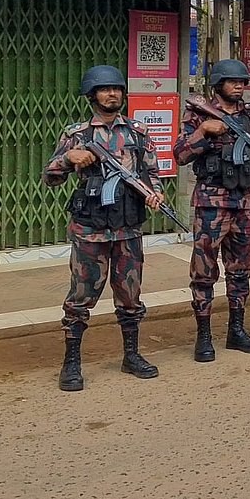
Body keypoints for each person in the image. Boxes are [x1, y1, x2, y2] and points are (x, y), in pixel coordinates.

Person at [43, 65, 162, 391]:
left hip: (128, 229)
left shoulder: (137, 132)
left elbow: (151, 172)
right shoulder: (77, 135)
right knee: (81, 297)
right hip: (91, 231)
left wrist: (155, 193)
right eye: (105, 89)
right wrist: (69, 159)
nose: (112, 94)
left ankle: (131, 355)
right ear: (92, 95)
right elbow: (50, 177)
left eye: (117, 89)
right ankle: (71, 363)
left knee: (130, 296)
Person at [174, 59, 250, 362]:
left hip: (244, 203)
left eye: (242, 81)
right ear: (218, 85)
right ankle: (204, 336)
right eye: (232, 81)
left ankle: (236, 330)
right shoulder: (198, 114)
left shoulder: (248, 116)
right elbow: (180, 154)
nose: (239, 85)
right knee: (204, 273)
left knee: (240, 271)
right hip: (211, 205)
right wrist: (203, 131)